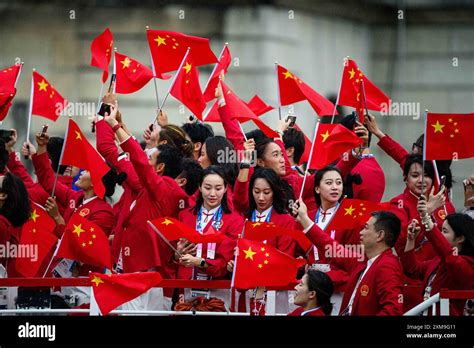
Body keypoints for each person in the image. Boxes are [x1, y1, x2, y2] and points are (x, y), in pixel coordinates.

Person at [294, 200, 404, 316]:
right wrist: (304, 219)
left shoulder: (388, 266)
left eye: (366, 228)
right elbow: (331, 246)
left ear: (380, 235)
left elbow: (393, 310)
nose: (360, 232)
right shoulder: (363, 261)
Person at [176, 166, 244, 309]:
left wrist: (200, 262)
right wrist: (177, 254)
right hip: (187, 286)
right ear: (199, 187)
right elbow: (174, 258)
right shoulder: (185, 215)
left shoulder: (234, 220)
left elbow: (224, 264)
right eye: (207, 187)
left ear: (226, 189)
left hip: (217, 289)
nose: (212, 193)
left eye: (218, 188)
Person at [400, 196, 474, 316]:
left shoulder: (467, 265)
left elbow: (449, 255)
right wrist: (410, 240)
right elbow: (412, 269)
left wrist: (426, 218)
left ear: (460, 238)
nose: (439, 234)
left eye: (444, 231)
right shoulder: (439, 260)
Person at [390, 154, 455, 262]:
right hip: (413, 272)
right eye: (415, 175)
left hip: (442, 269)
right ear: (405, 178)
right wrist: (428, 210)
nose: (421, 180)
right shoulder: (398, 203)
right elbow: (400, 241)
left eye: (426, 175)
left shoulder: (443, 202)